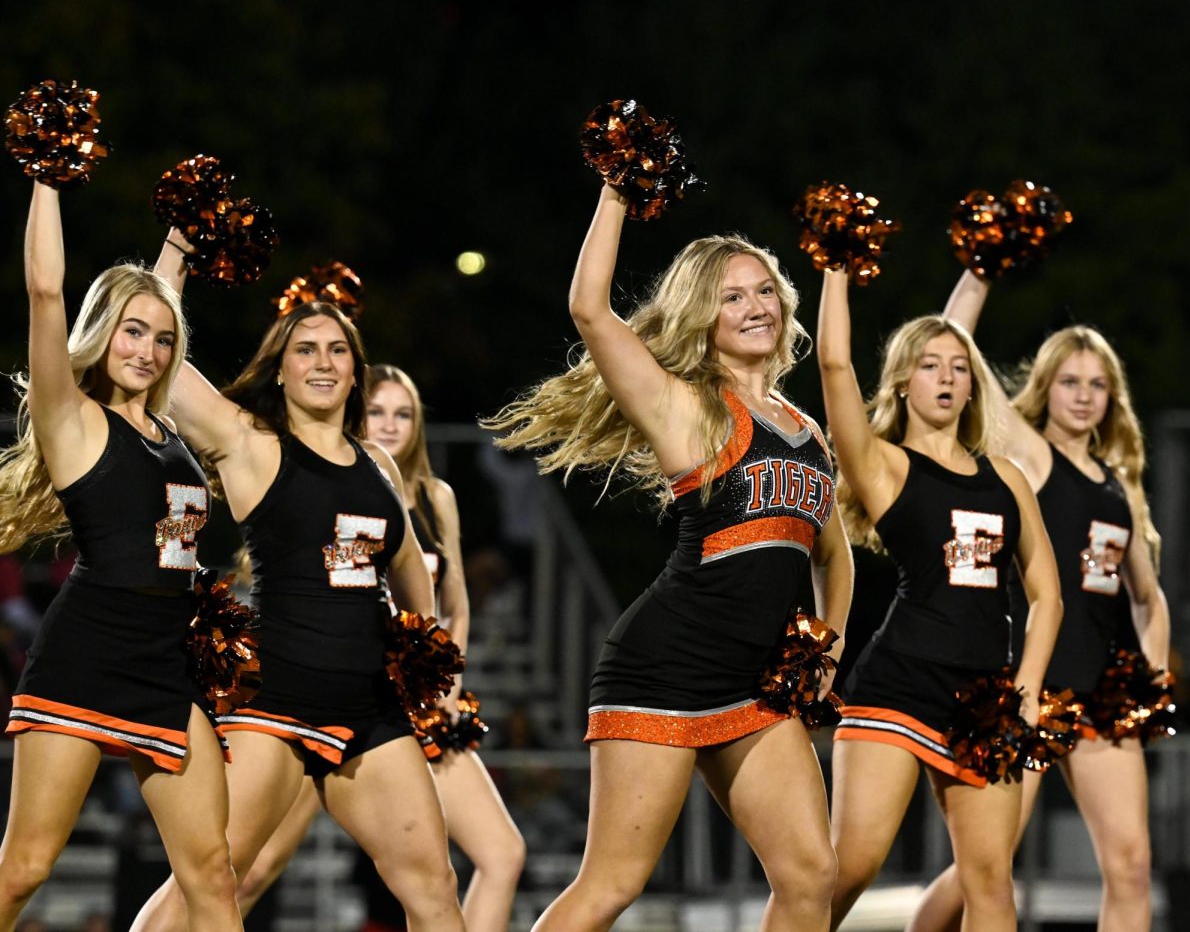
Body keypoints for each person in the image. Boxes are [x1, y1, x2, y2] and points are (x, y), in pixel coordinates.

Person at [486, 184, 853, 932]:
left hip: (758, 684)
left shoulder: (807, 429)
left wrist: (826, 648)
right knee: (613, 884)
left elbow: (834, 556)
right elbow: (590, 309)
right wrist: (617, 191)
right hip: (665, 663)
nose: (755, 307)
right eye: (731, 298)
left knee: (812, 876)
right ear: (702, 318)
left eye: (763, 291)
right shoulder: (685, 405)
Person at [128, 239, 465, 932]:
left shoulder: (378, 463)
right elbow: (165, 362)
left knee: (434, 889)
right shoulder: (251, 442)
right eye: (304, 349)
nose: (321, 361)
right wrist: (177, 252)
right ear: (280, 371)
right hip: (274, 702)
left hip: (369, 708)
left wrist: (418, 649)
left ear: (356, 373)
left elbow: (408, 572)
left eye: (336, 349)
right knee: (213, 879)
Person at [0, 182, 242, 931]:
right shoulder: (73, 421)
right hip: (88, 653)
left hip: (167, 663)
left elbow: (161, 301)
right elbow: (45, 291)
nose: (147, 349)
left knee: (212, 873)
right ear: (102, 332)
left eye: (162, 338)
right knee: (25, 868)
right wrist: (47, 175)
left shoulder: (166, 428)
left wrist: (176, 244)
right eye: (131, 331)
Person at [904, 272, 1170, 932]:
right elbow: (953, 337)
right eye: (1070, 382)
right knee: (981, 869)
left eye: (1098, 384)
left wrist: (1153, 674)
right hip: (1026, 687)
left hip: (1099, 694)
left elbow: (1148, 595)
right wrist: (980, 272)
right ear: (1045, 387)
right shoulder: (1030, 456)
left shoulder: (1118, 484)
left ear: (1113, 396)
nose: (1084, 396)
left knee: (1132, 865)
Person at [816, 267, 1063, 932]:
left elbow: (1047, 592)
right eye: (930, 364)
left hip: (986, 696)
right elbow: (835, 364)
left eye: (959, 365)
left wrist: (1029, 688)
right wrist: (836, 269)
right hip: (900, 684)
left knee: (991, 886)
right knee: (851, 866)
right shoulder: (884, 464)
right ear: (903, 379)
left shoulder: (1005, 475)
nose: (948, 377)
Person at [235, 364, 524, 932]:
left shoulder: (436, 497)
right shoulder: (330, 480)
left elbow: (454, 604)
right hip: (325, 694)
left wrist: (444, 686)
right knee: (251, 869)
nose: (390, 425)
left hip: (406, 708)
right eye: (380, 412)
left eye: (405, 414)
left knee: (498, 855)